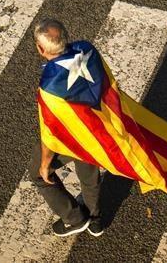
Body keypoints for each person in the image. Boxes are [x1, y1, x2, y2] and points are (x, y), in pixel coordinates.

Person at [30, 18, 104, 237]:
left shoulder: (50, 85)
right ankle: (95, 219)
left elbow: (50, 131)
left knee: (38, 174)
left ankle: (75, 219)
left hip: (73, 136)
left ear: (41, 49)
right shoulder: (87, 49)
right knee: (89, 176)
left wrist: (45, 164)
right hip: (97, 128)